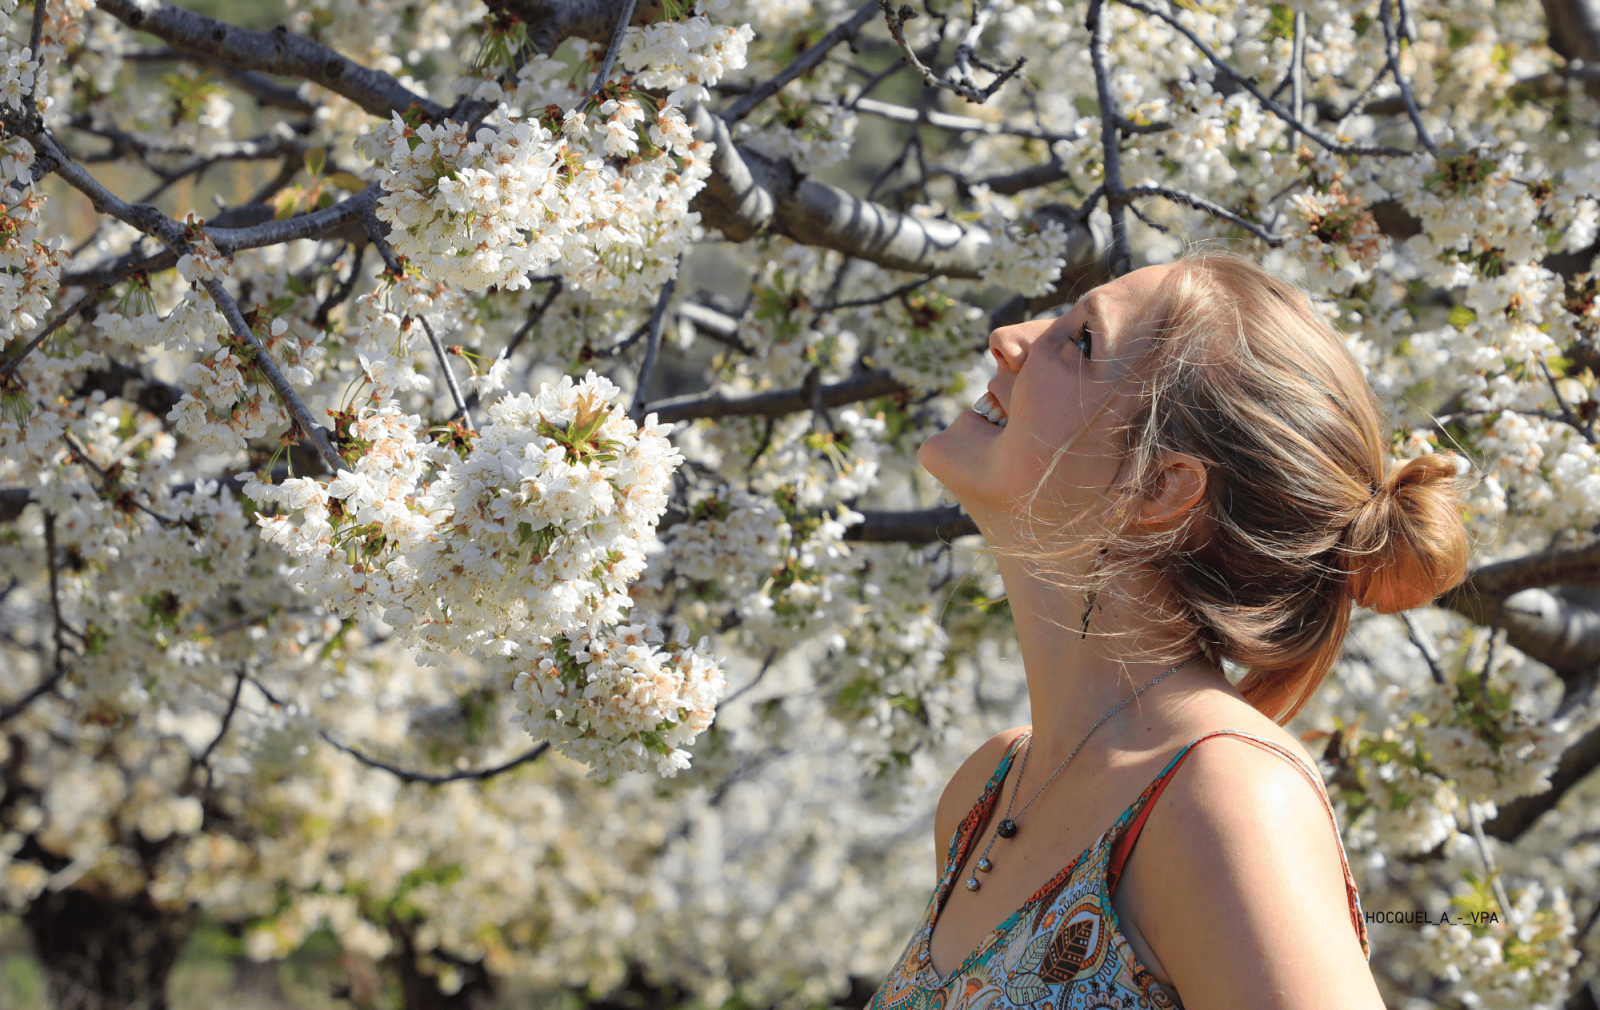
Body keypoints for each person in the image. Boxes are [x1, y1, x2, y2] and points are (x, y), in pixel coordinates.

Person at [869, 252, 1470, 1010]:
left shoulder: (1223, 800)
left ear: (1160, 486)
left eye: (1081, 340)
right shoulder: (985, 794)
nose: (1010, 337)